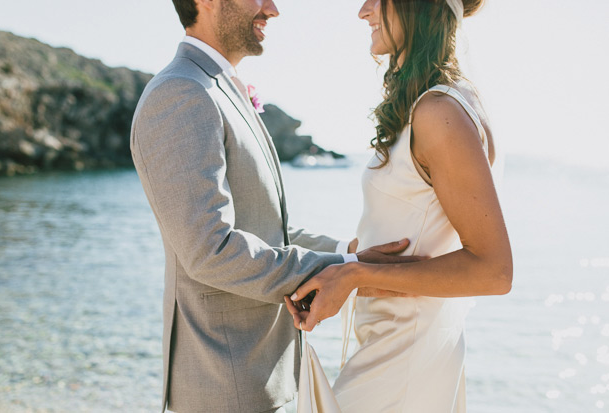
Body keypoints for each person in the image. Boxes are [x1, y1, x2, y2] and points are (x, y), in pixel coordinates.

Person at [130, 0, 420, 412]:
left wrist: (349, 254)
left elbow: (262, 228)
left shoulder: (216, 87)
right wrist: (339, 273)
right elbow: (209, 250)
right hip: (223, 387)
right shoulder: (181, 93)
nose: (273, 9)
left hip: (256, 381)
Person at [285, 0, 513, 411]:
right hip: (392, 351)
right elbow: (416, 245)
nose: (363, 11)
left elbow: (493, 271)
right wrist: (347, 273)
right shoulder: (430, 106)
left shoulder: (439, 112)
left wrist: (355, 275)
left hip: (404, 365)